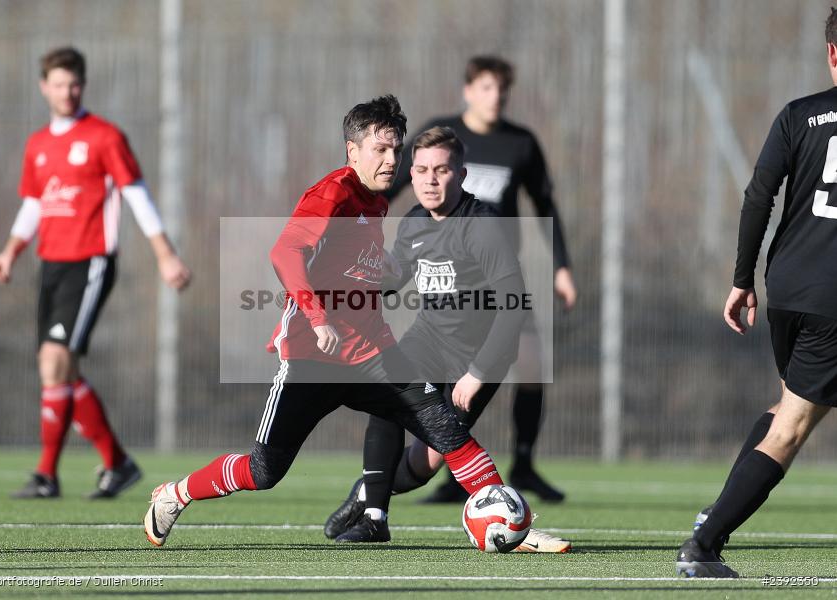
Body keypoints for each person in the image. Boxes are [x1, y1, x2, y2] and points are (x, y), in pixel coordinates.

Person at [143, 95, 510, 548]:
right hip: (312, 356)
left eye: (396, 150)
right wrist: (318, 319)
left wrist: (386, 271)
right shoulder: (332, 192)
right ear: (352, 151)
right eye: (380, 149)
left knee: (447, 430)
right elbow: (284, 252)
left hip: (372, 353)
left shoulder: (376, 203)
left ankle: (510, 520)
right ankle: (175, 494)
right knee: (264, 471)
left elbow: (353, 268)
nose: (391, 160)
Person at [323, 126, 571, 552]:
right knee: (386, 395)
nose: (430, 180)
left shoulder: (483, 226)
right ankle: (375, 518)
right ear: (411, 175)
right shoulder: (414, 222)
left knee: (425, 462)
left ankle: (366, 490)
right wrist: (343, 288)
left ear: (461, 174)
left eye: (441, 170)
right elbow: (393, 279)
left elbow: (513, 306)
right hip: (428, 339)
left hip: (478, 357)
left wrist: (478, 373)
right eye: (421, 170)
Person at [0, 47, 191, 499]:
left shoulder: (104, 137)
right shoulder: (38, 144)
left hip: (91, 261)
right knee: (59, 369)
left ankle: (47, 475)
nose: (67, 92)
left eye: (74, 84)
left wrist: (165, 254)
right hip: (51, 263)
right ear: (44, 87)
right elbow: (34, 203)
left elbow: (136, 195)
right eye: (59, 84)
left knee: (54, 361)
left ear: (84, 85)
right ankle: (117, 464)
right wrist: (10, 251)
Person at [676, 9, 837, 578]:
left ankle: (713, 517)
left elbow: (758, 196)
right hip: (833, 300)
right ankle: (705, 544)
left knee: (789, 406)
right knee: (792, 424)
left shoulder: (798, 114)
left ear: (831, 53)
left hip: (790, 288)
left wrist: (742, 278)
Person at [384, 56, 575, 504]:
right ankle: (437, 473)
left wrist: (562, 267)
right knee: (432, 376)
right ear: (468, 90)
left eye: (502, 90)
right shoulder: (444, 136)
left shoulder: (520, 143)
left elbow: (544, 204)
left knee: (529, 363)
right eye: (486, 88)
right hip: (451, 286)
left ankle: (523, 462)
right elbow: (395, 184)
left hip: (499, 279)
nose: (495, 98)